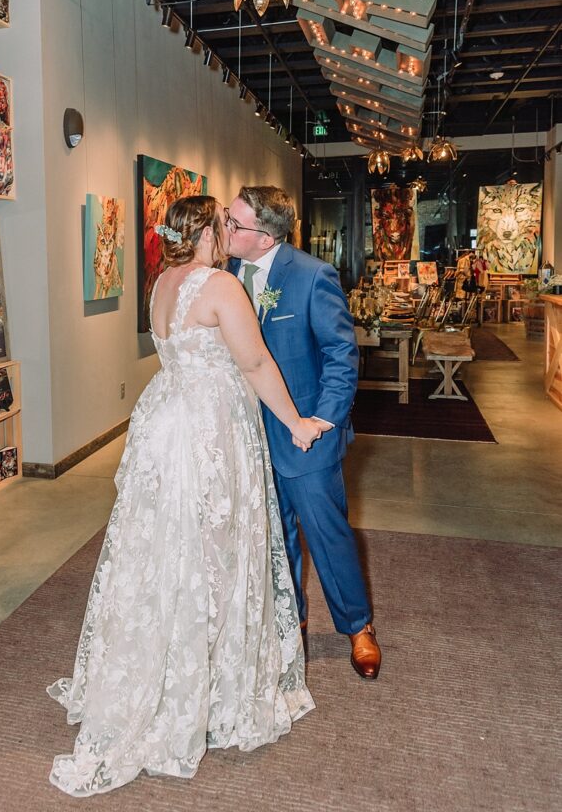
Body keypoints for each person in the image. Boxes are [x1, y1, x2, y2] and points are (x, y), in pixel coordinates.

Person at [48, 195, 325, 797]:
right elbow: (253, 363)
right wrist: (298, 423)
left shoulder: (161, 284)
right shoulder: (222, 287)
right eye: (223, 223)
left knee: (163, 551)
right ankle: (210, 689)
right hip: (209, 432)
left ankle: (169, 666)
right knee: (216, 550)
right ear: (204, 231)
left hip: (166, 425)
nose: (230, 229)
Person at [226, 186, 381, 680]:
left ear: (266, 238)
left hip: (305, 436)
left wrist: (323, 419)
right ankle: (289, 624)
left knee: (327, 534)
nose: (225, 229)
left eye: (235, 223)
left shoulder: (313, 277)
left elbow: (341, 354)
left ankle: (358, 627)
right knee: (274, 537)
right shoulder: (224, 276)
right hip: (247, 434)